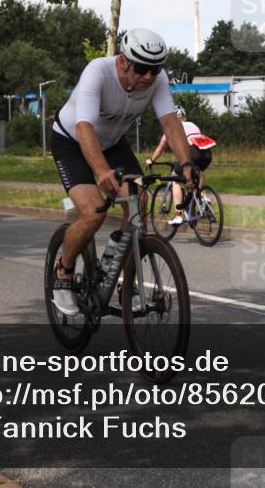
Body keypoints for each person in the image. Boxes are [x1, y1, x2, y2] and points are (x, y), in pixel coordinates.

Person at [50, 28, 197, 316]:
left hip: (113, 144)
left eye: (155, 70)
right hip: (72, 140)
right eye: (141, 68)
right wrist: (102, 171)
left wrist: (188, 164)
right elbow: (84, 127)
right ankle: (64, 272)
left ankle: (118, 276)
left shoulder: (156, 81)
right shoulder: (98, 72)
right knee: (94, 211)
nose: (148, 77)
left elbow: (170, 122)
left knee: (138, 205)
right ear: (122, 62)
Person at [145, 107, 216, 225]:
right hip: (206, 153)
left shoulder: (171, 128)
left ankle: (178, 215)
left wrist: (151, 160)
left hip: (192, 152)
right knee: (197, 172)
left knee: (175, 179)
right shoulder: (192, 125)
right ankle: (203, 197)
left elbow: (160, 148)